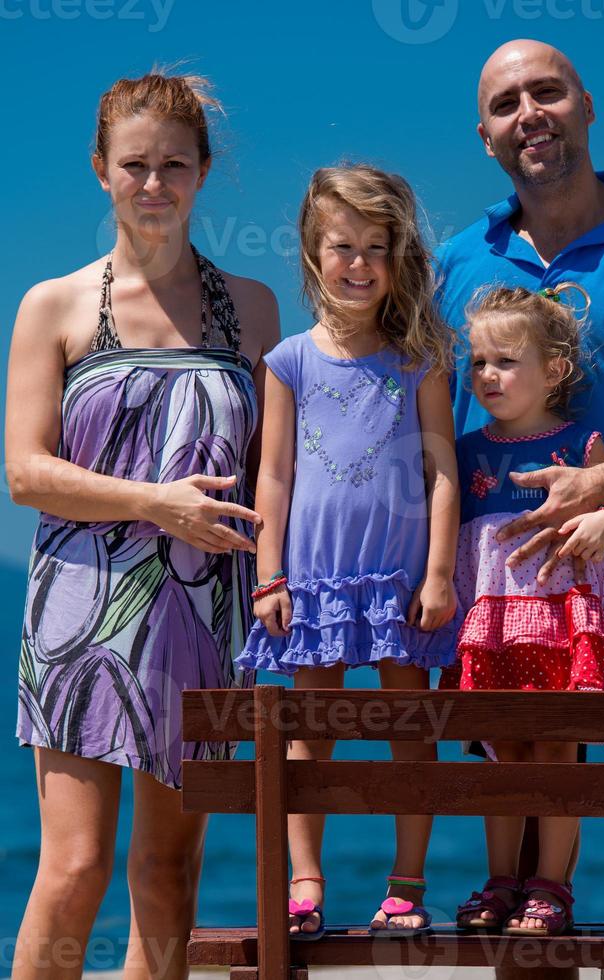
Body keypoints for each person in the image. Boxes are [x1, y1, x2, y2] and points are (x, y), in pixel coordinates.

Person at [6, 72, 279, 979]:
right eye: (134, 165)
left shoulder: (253, 307)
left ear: (202, 173)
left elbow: (275, 475)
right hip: (81, 619)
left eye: (173, 164)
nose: (153, 183)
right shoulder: (54, 303)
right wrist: (154, 503)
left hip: (207, 621)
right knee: (75, 868)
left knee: (167, 875)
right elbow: (25, 472)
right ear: (100, 171)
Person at [235, 164, 460, 939]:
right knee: (308, 730)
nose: (358, 263)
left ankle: (405, 885)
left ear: (399, 258)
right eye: (342, 246)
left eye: (376, 246)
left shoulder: (421, 357)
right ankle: (305, 880)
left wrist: (437, 574)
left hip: (400, 584)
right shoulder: (289, 361)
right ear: (311, 252)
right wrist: (269, 577)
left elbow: (442, 473)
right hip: (314, 581)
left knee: (410, 724)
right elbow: (272, 474)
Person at [435, 39, 604, 692]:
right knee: (526, 797)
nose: (529, 113)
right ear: (487, 138)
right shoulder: (452, 267)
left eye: (547, 92)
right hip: (505, 600)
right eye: (506, 104)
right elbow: (414, 430)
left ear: (587, 107)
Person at [445, 284, 604, 936]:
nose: (487, 376)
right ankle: (502, 879)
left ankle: (552, 885)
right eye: (477, 362)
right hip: (492, 624)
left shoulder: (582, 444)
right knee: (498, 749)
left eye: (504, 361)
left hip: (563, 620)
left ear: (553, 370)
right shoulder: (466, 448)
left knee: (560, 748)